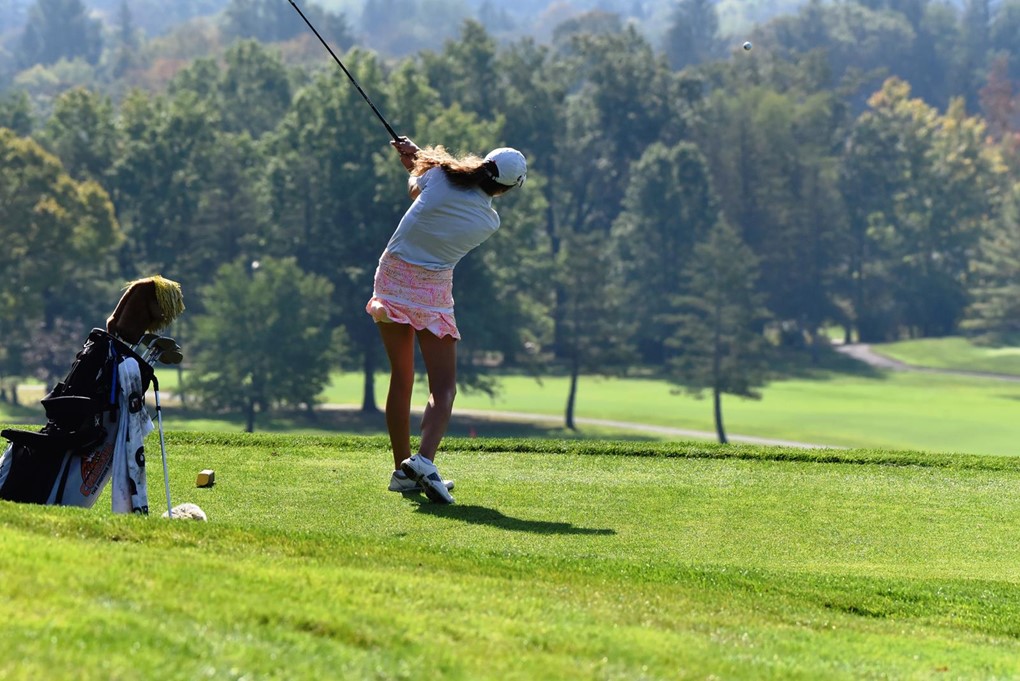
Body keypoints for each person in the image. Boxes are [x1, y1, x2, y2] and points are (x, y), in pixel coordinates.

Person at [366, 136, 527, 504]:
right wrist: (420, 162)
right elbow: (432, 189)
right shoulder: (489, 221)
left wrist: (415, 162)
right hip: (433, 289)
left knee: (401, 375)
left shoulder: (438, 178)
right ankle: (422, 461)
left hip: (391, 276)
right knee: (444, 389)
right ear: (505, 189)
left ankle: (402, 470)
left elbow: (418, 189)